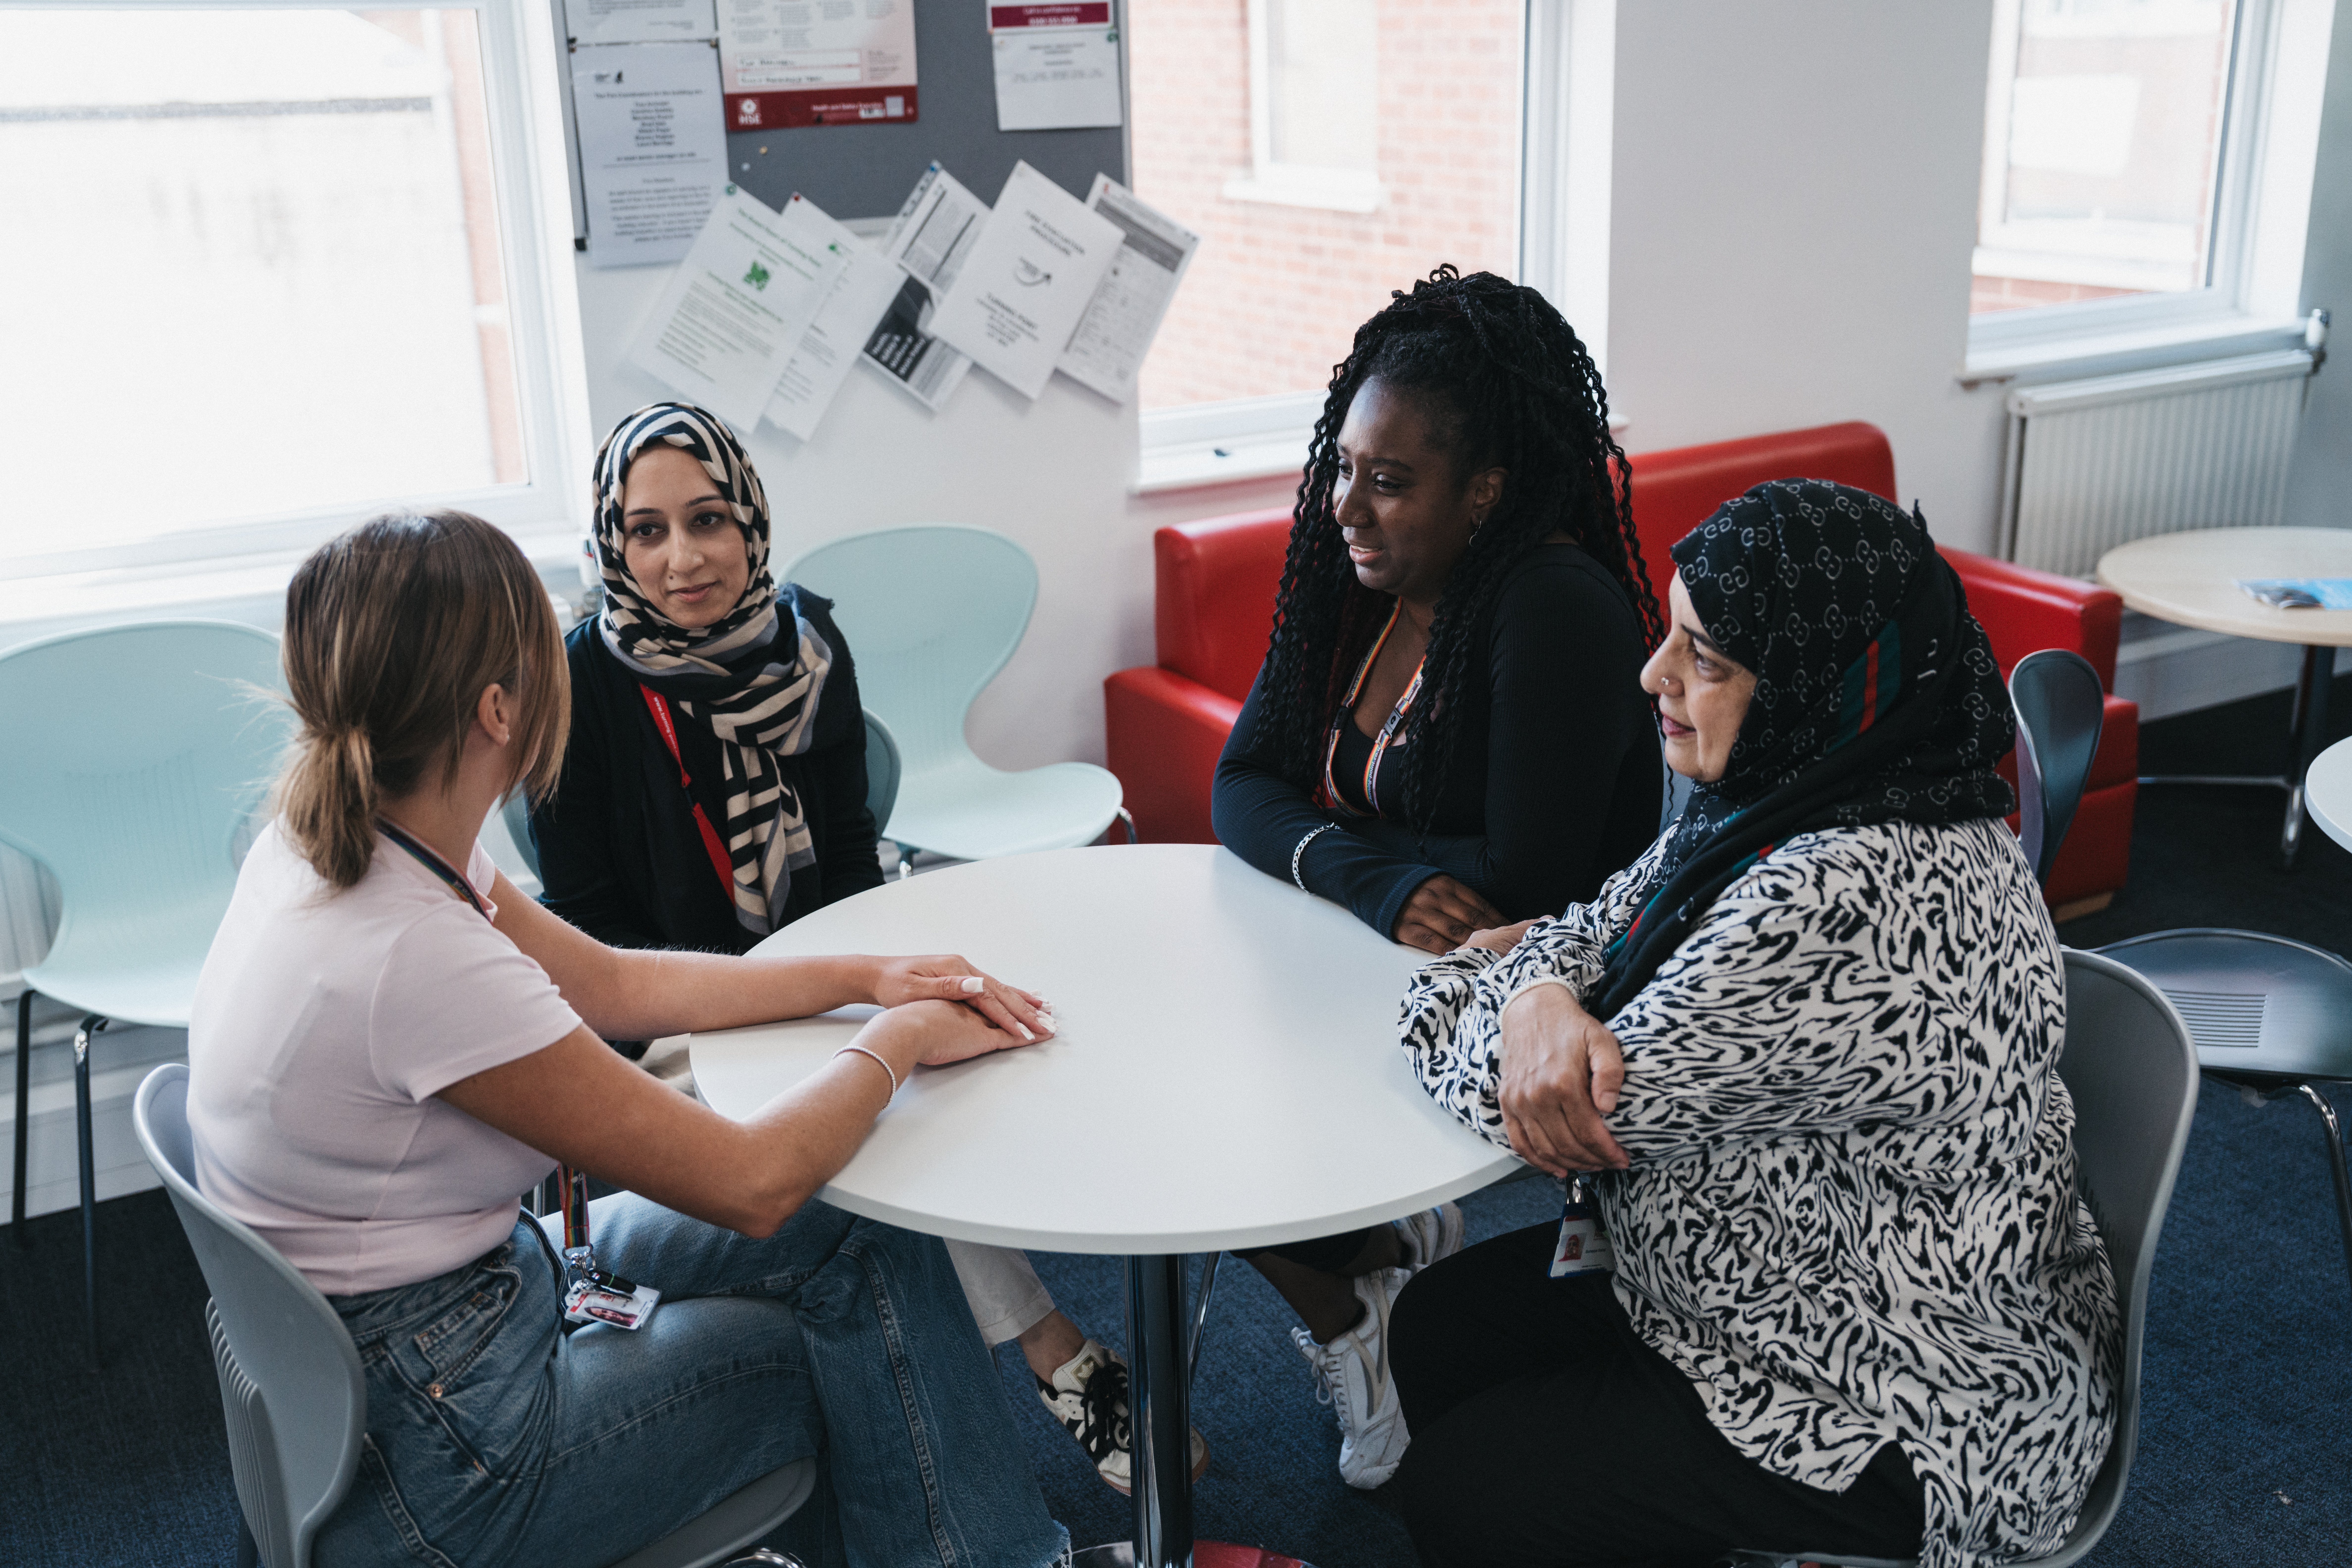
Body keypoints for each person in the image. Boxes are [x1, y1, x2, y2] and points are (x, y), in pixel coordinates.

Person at [187, 509, 1072, 1568]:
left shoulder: (348, 838)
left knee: (861, 1225)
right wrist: (898, 1040)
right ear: (499, 708)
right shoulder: (409, 952)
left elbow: (610, 982)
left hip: (418, 1344)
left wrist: (863, 978)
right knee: (830, 1349)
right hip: (447, 1457)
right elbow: (749, 1181)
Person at [1388, 481, 2119, 1568]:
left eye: (1707, 658)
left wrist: (1460, 988)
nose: (1655, 676)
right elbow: (1595, 923)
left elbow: (1530, 1106)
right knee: (1439, 1328)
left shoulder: (1843, 899)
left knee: (1463, 1493)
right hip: (1753, 1276)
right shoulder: (1820, 790)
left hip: (1899, 1390)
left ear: (1818, 683)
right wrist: (1543, 996)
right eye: (1671, 637)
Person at [528, 402, 1198, 1495]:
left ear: (751, 518)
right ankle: (1046, 1350)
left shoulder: (806, 644)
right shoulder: (580, 690)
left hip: (821, 974)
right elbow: (600, 943)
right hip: (673, 1020)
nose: (682, 557)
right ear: (612, 542)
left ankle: (962, 1380)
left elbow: (847, 868)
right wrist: (793, 1008)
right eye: (646, 531)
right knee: (869, 1120)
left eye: (707, 519)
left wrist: (864, 997)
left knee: (953, 1067)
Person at [1207, 268, 1665, 1487]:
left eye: (1391, 481)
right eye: (1345, 466)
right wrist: (1373, 879)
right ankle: (1374, 1266)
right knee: (1183, 1077)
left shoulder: (1553, 608)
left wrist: (1349, 858)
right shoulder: (1354, 587)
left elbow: (1526, 888)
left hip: (1526, 1002)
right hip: (1362, 952)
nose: (1347, 504)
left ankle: (1361, 1317)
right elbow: (1241, 785)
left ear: (1487, 491)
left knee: (1213, 1139)